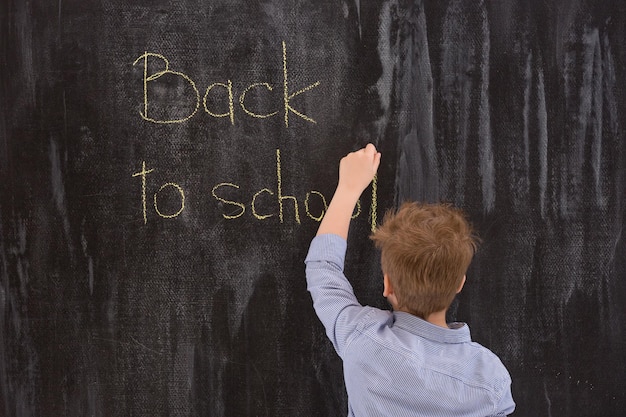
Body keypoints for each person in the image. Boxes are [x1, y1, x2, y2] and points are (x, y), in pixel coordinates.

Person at [305, 144, 515, 416]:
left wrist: (348, 189)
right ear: (459, 284)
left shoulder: (363, 339)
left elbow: (323, 269)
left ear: (388, 284)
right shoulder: (490, 378)